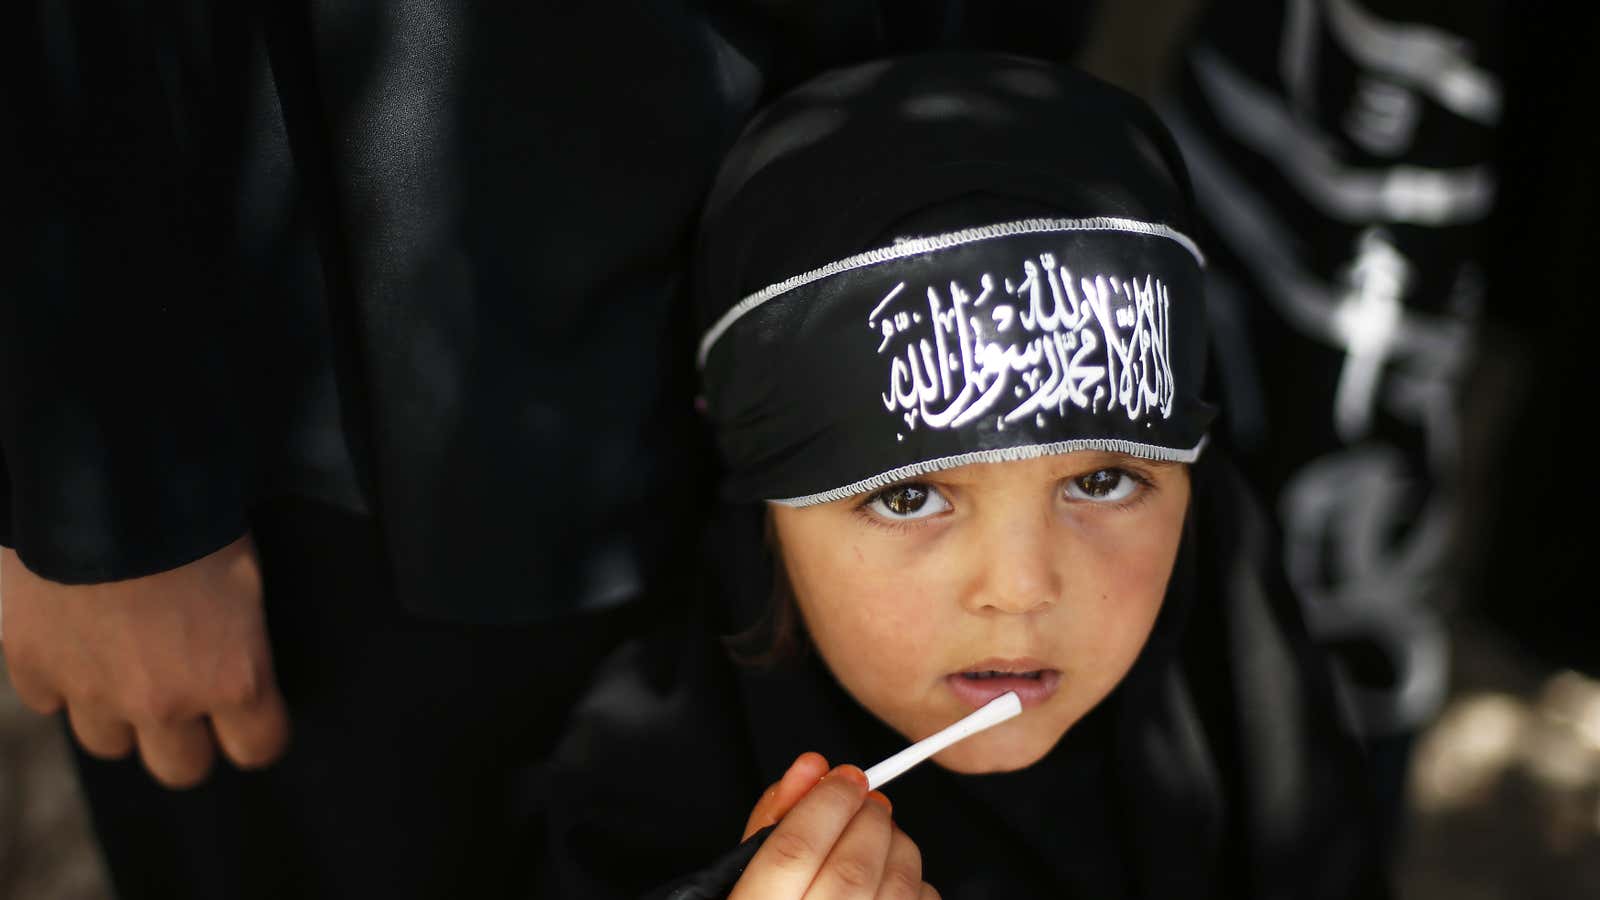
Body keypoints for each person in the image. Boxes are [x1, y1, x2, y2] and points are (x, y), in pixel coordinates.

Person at [534, 52, 1388, 899]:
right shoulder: (631, 815)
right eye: (910, 495)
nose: (1019, 589)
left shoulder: (1247, 713)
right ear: (763, 503)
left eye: (1101, 482)